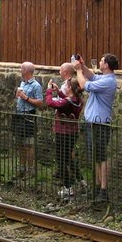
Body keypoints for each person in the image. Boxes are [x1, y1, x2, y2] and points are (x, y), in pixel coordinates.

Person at [75, 53, 119, 204]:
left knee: (101, 157)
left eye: (101, 60)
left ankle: (104, 190)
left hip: (100, 124)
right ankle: (98, 186)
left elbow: (84, 85)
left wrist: (78, 71)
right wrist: (82, 65)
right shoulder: (104, 78)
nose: (99, 62)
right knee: (95, 156)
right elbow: (92, 76)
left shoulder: (109, 82)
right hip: (92, 123)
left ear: (106, 65)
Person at [45, 62, 83, 196]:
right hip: (72, 132)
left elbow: (51, 103)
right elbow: (66, 100)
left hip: (64, 132)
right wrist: (59, 92)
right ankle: (81, 181)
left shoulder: (68, 101)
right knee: (68, 158)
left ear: (70, 88)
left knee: (61, 159)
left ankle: (68, 187)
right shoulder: (76, 99)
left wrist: (49, 91)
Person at [13, 62, 43, 178]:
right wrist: (18, 96)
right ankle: (21, 168)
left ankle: (30, 171)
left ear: (26, 70)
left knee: (29, 144)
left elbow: (40, 102)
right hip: (19, 115)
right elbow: (18, 98)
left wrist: (25, 98)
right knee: (20, 144)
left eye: (21, 68)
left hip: (29, 116)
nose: (20, 70)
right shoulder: (22, 83)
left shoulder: (36, 85)